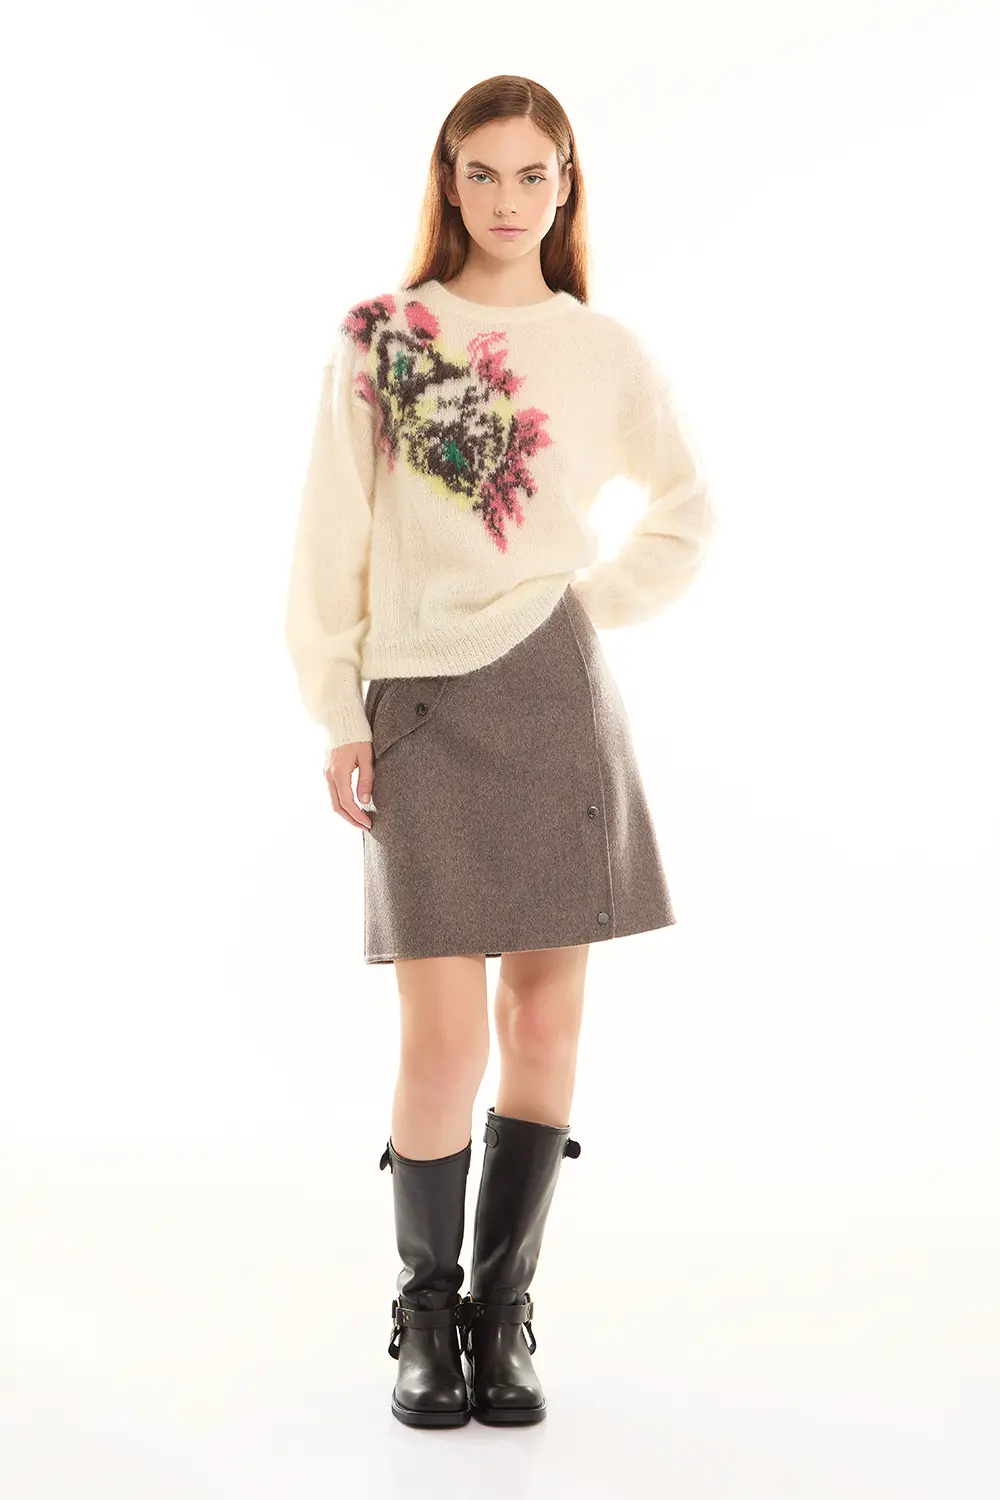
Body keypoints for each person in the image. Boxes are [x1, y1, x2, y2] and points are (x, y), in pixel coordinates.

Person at [283, 74, 717, 1428]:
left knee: (543, 1019)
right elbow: (330, 544)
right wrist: (338, 710)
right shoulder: (388, 339)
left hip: (553, 700)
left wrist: (576, 609)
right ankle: (423, 1316)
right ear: (449, 180)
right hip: (419, 706)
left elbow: (686, 514)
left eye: (536, 175)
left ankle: (499, 1313)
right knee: (439, 1043)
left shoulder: (603, 350)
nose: (510, 199)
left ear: (567, 184)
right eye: (484, 172)